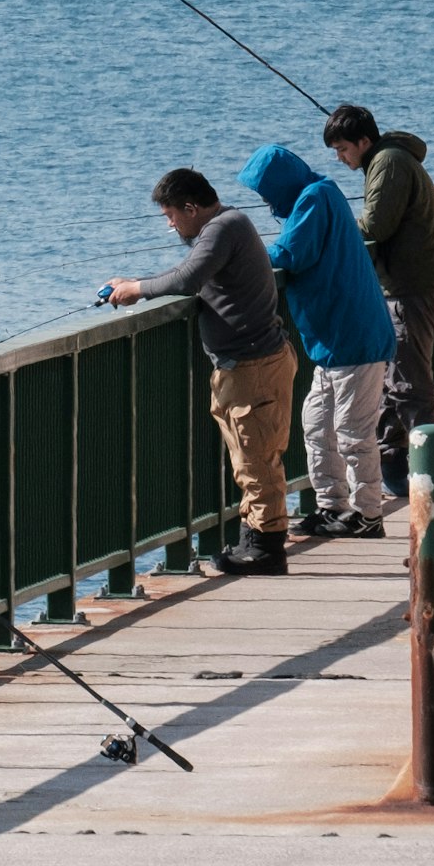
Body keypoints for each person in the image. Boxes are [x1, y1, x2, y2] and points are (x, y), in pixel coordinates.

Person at [107, 167, 297, 576]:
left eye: (172, 215)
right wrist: (138, 282)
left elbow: (188, 278)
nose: (170, 224)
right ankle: (255, 539)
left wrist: (136, 290)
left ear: (192, 208)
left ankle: (266, 550)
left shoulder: (221, 228)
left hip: (253, 366)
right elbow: (187, 273)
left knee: (256, 459)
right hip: (251, 362)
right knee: (252, 457)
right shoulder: (230, 225)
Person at [248, 141, 395, 540]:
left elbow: (289, 253)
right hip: (332, 342)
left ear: (279, 185)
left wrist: (241, 254)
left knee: (352, 431)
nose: (264, 201)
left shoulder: (315, 198)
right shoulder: (318, 194)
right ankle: (332, 506)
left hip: (354, 338)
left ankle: (368, 515)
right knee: (317, 425)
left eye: (265, 191)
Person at [329, 102, 434, 494]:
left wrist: (335, 230)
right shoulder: (390, 159)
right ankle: (397, 473)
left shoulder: (389, 163)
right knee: (394, 381)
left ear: (364, 141)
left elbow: (376, 225)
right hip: (416, 283)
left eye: (343, 148)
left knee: (410, 385)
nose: (340, 157)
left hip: (410, 288)